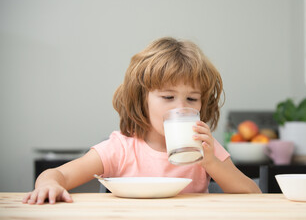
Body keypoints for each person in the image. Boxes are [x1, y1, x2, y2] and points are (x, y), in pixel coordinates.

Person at [23, 37, 261, 205]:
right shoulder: (121, 149)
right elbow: (58, 175)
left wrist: (212, 164)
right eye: (168, 97)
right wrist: (48, 185)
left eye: (192, 98)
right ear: (142, 99)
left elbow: (253, 193)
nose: (181, 107)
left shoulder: (203, 148)